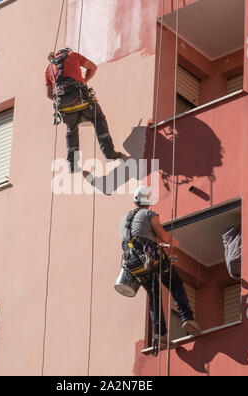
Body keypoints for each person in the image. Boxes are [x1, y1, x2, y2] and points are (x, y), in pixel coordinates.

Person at [120, 185, 201, 348]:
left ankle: (160, 335)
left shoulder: (124, 220)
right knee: (175, 283)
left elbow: (138, 238)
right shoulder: (149, 214)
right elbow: (163, 235)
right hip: (152, 258)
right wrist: (172, 242)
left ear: (135, 201)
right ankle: (188, 319)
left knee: (154, 294)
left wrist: (158, 241)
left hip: (134, 264)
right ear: (148, 201)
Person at [45, 48, 122, 173]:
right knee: (98, 119)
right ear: (66, 51)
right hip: (82, 98)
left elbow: (49, 95)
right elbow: (93, 67)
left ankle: (72, 164)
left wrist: (64, 99)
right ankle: (109, 152)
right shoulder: (72, 55)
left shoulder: (49, 68)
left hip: (64, 106)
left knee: (71, 129)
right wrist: (84, 81)